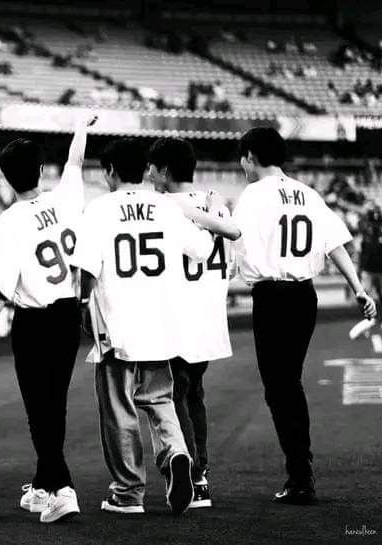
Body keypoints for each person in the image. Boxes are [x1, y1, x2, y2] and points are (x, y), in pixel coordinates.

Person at [233, 127, 376, 505]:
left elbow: (235, 241)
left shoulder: (252, 195)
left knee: (280, 387)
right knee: (288, 383)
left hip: (272, 296)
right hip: (304, 296)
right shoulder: (308, 193)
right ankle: (299, 470)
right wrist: (358, 288)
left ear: (250, 156)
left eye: (242, 158)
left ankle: (300, 473)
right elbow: (335, 244)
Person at [74, 138, 214, 516]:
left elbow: (85, 270)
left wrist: (82, 307)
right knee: (160, 399)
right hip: (161, 321)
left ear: (110, 172)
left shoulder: (99, 209)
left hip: (117, 322)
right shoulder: (166, 207)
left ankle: (128, 492)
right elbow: (202, 250)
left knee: (119, 408)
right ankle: (177, 453)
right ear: (144, 170)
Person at [0, 115, 96, 523]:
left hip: (34, 320)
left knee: (37, 409)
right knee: (55, 405)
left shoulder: (9, 221)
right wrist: (81, 126)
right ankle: (44, 485)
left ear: (7, 179)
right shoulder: (64, 199)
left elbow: (0, 287)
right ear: (42, 171)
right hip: (67, 313)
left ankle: (63, 489)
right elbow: (76, 163)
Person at [148, 136, 237, 509]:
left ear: (165, 171)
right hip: (210, 311)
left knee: (176, 392)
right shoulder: (215, 205)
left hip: (177, 311)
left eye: (152, 167)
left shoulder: (161, 207)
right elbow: (230, 259)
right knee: (193, 391)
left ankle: (194, 475)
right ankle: (201, 473)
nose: (148, 174)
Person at [349, 204, 382, 343]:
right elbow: (361, 254)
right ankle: (368, 320)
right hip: (368, 271)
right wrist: (359, 271)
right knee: (366, 296)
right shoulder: (365, 235)